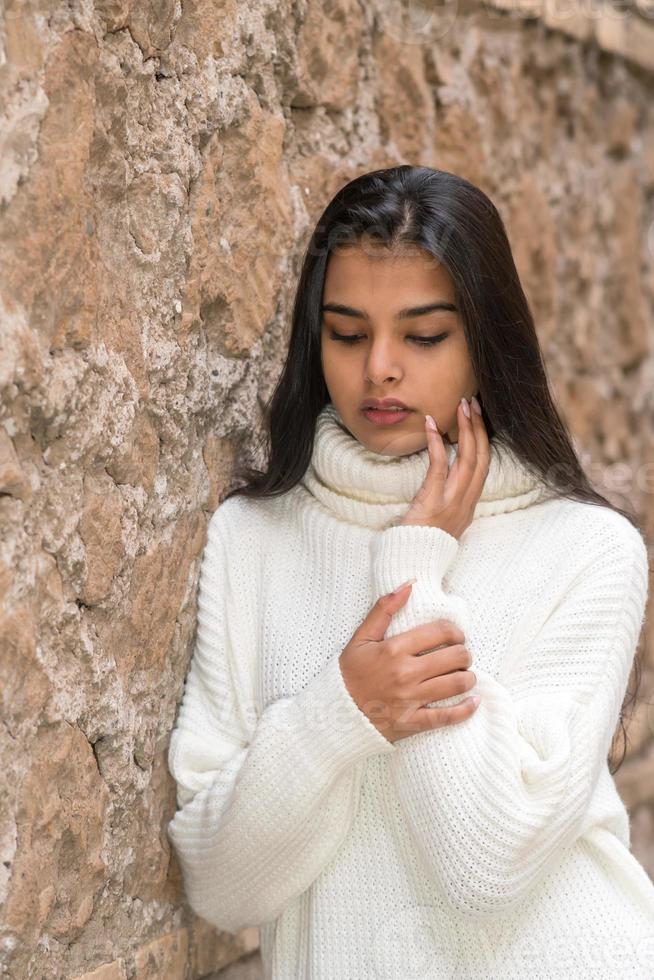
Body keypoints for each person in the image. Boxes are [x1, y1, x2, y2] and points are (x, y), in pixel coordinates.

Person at [166, 166, 654, 979]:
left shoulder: (588, 549)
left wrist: (417, 568)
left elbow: (490, 865)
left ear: (485, 342)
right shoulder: (253, 539)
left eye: (423, 335)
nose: (380, 368)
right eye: (347, 334)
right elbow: (222, 886)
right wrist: (342, 711)